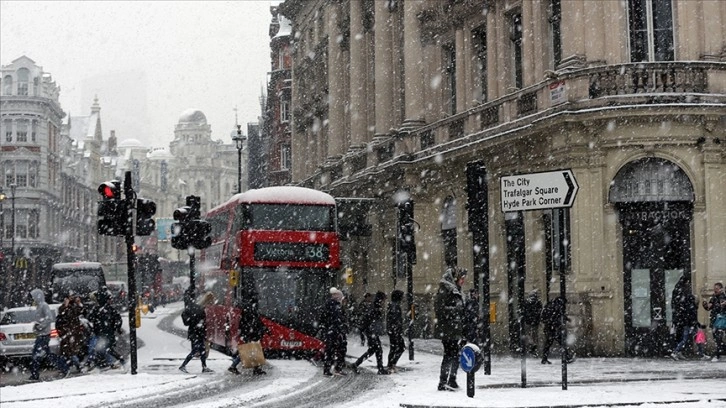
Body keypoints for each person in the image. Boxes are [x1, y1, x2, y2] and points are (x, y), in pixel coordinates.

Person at [434, 267, 466, 391]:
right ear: (455, 278)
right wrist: (455, 311)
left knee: (454, 355)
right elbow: (439, 309)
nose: (463, 281)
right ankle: (444, 382)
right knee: (449, 355)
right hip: (448, 329)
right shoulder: (446, 290)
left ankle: (450, 380)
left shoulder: (456, 290)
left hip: (455, 328)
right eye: (461, 278)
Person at [29, 288, 70, 380]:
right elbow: (41, 319)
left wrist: (40, 326)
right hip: (41, 334)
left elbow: (49, 318)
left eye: (34, 297)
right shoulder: (39, 306)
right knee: (46, 355)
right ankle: (64, 367)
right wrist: (36, 327)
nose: (33, 299)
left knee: (37, 354)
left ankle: (35, 374)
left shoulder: (44, 305)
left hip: (44, 335)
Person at [228, 292, 268, 375]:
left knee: (252, 349)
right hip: (250, 333)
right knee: (250, 350)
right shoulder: (251, 308)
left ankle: (256, 369)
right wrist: (260, 329)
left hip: (248, 332)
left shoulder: (247, 307)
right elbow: (255, 321)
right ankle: (233, 366)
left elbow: (245, 322)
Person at [87, 287, 125, 370]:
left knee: (102, 349)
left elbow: (90, 318)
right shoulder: (108, 309)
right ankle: (106, 363)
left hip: (102, 333)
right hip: (107, 333)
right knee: (105, 349)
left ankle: (116, 361)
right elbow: (118, 319)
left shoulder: (97, 309)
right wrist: (117, 328)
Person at [352, 291, 389, 375]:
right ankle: (380, 369)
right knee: (378, 350)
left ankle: (356, 364)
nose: (384, 302)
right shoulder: (375, 307)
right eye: (383, 299)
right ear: (381, 299)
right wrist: (372, 332)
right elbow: (370, 320)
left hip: (372, 333)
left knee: (373, 350)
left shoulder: (375, 306)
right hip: (372, 333)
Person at [179, 291, 214, 373]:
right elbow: (203, 322)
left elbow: (188, 322)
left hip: (194, 333)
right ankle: (183, 365)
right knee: (197, 350)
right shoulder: (199, 309)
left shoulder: (190, 310)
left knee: (201, 350)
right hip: (198, 333)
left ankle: (204, 367)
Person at [319, 287, 349, 376]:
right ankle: (332, 369)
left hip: (334, 331)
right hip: (334, 331)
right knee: (333, 350)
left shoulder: (335, 305)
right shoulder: (333, 305)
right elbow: (335, 319)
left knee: (335, 350)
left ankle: (332, 369)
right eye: (340, 296)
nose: (341, 298)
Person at [56, 292, 87, 372]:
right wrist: (65, 306)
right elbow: (62, 316)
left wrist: (79, 303)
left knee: (72, 351)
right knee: (68, 351)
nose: (72, 298)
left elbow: (83, 312)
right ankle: (72, 366)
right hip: (67, 333)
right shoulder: (63, 308)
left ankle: (72, 366)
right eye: (70, 297)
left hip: (74, 333)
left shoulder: (74, 307)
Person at [540, 295, 574, 364]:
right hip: (553, 327)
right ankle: (566, 357)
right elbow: (558, 315)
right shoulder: (557, 306)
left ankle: (544, 358)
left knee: (549, 343)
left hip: (549, 327)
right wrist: (565, 319)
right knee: (560, 342)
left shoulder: (551, 304)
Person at [671, 288, 698, 360]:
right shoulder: (691, 307)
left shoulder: (688, 306)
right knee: (688, 339)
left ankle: (677, 352)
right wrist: (692, 325)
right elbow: (692, 317)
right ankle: (676, 351)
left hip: (688, 324)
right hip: (689, 325)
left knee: (691, 339)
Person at [702, 282, 726, 362]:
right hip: (714, 320)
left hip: (721, 320)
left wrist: (722, 305)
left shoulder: (723, 296)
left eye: (717, 289)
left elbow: (723, 306)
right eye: (714, 288)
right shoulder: (714, 297)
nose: (715, 290)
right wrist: (705, 305)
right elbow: (709, 307)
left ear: (721, 289)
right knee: (716, 338)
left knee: (718, 338)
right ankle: (721, 352)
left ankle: (718, 355)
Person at [386, 289, 405, 372]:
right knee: (400, 347)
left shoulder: (393, 305)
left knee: (394, 347)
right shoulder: (395, 306)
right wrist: (397, 330)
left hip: (393, 330)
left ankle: (391, 364)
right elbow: (395, 319)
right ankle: (391, 364)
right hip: (395, 330)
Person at [522, 289, 543, 356]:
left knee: (528, 334)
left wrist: (526, 317)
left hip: (528, 321)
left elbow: (524, 311)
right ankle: (534, 346)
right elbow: (539, 312)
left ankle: (531, 344)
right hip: (535, 322)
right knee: (534, 334)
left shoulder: (526, 302)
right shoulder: (538, 302)